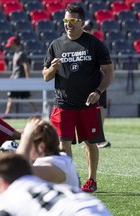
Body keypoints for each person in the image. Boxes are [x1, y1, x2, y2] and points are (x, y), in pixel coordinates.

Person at [42, 4, 114, 193]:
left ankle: (91, 180)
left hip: (87, 104)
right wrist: (52, 69)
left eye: (72, 21)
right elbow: (45, 76)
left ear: (82, 22)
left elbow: (109, 72)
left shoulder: (94, 44)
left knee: (90, 143)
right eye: (66, 21)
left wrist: (98, 91)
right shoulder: (56, 45)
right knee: (63, 142)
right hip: (63, 103)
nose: (68, 24)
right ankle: (70, 179)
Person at [0, 153, 112, 216]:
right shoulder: (41, 184)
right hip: (97, 209)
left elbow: (5, 207)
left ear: (2, 183)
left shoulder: (8, 199)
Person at [84, 20, 111, 149]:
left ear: (93, 30)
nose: (86, 31)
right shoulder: (80, 45)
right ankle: (89, 139)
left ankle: (100, 138)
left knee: (100, 109)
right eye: (85, 28)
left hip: (98, 81)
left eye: (89, 28)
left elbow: (107, 66)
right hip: (86, 81)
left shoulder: (98, 45)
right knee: (86, 110)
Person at [2, 36, 38, 118]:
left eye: (10, 44)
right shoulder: (16, 54)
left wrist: (28, 79)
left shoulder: (22, 54)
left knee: (13, 96)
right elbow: (16, 68)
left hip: (20, 80)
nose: (9, 46)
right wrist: (12, 75)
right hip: (15, 79)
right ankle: (37, 112)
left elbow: (26, 66)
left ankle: (7, 114)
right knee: (24, 96)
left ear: (14, 43)